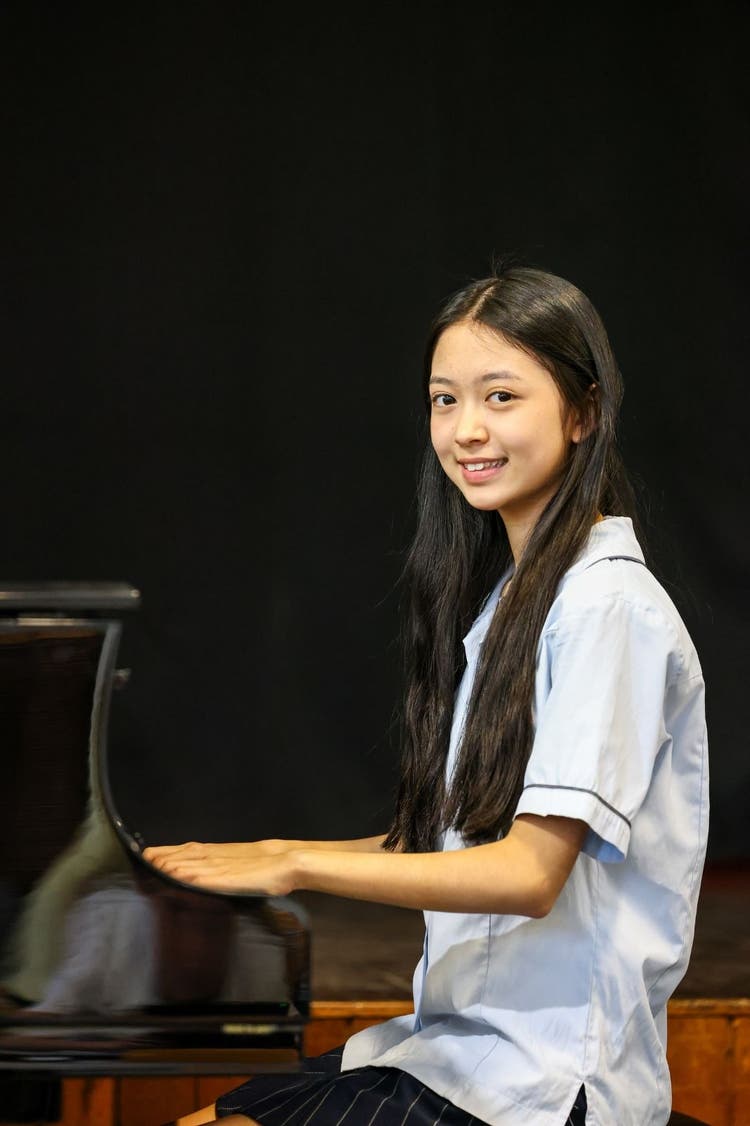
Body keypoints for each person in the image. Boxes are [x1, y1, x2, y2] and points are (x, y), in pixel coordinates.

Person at [144, 263, 709, 1126]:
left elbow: (528, 874)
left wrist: (294, 864)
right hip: (459, 1050)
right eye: (446, 400)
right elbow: (459, 840)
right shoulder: (518, 601)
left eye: (501, 397)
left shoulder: (608, 607)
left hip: (545, 1086)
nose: (467, 430)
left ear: (584, 412)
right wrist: (269, 847)